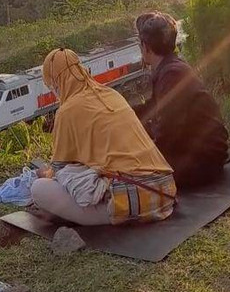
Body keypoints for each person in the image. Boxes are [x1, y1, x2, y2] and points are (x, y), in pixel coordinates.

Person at [31, 49, 177, 226]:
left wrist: (43, 174)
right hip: (165, 191)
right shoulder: (112, 94)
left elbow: (58, 170)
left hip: (131, 203)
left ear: (56, 82)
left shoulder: (67, 111)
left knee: (39, 189)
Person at [133, 12, 229, 188]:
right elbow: (153, 108)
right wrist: (124, 113)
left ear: (145, 47)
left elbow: (169, 129)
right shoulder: (171, 68)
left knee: (132, 170)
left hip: (202, 162)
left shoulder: (172, 74)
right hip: (201, 154)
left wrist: (149, 157)